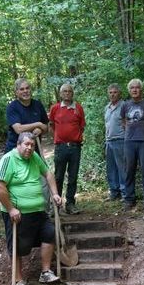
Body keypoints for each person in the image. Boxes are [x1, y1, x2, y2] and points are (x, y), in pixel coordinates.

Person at [0, 132, 63, 285]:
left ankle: (45, 273)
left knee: (50, 234)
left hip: (38, 211)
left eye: (32, 145)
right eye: (26, 144)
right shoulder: (8, 159)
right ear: (18, 145)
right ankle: (18, 282)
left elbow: (48, 173)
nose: (30, 148)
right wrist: (11, 208)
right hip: (17, 214)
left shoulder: (34, 158)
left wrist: (54, 193)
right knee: (17, 247)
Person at [121, 78, 144, 212]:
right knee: (129, 169)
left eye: (137, 87)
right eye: (132, 88)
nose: (135, 90)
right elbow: (123, 121)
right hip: (129, 142)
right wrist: (130, 132)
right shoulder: (125, 105)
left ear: (141, 89)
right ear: (129, 90)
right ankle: (129, 199)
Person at [49, 83, 86, 215]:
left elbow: (82, 126)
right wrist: (59, 136)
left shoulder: (78, 108)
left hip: (75, 147)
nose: (67, 93)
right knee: (58, 176)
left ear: (72, 93)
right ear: (60, 94)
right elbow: (52, 124)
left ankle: (70, 204)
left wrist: (74, 137)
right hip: (61, 147)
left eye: (69, 91)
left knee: (73, 177)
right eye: (64, 91)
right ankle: (56, 206)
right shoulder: (55, 108)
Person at [5, 78, 49, 152]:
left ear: (30, 89)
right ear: (16, 92)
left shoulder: (38, 105)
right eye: (22, 89)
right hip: (16, 150)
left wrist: (40, 129)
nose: (25, 91)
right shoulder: (12, 107)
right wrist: (38, 124)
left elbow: (46, 127)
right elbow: (18, 129)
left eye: (27, 88)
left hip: (34, 150)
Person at [104, 83, 126, 201]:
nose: (112, 95)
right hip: (109, 141)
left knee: (122, 168)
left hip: (121, 140)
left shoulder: (124, 106)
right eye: (110, 92)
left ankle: (124, 193)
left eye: (115, 92)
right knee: (111, 168)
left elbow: (127, 124)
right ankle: (114, 192)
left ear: (119, 93)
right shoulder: (107, 107)